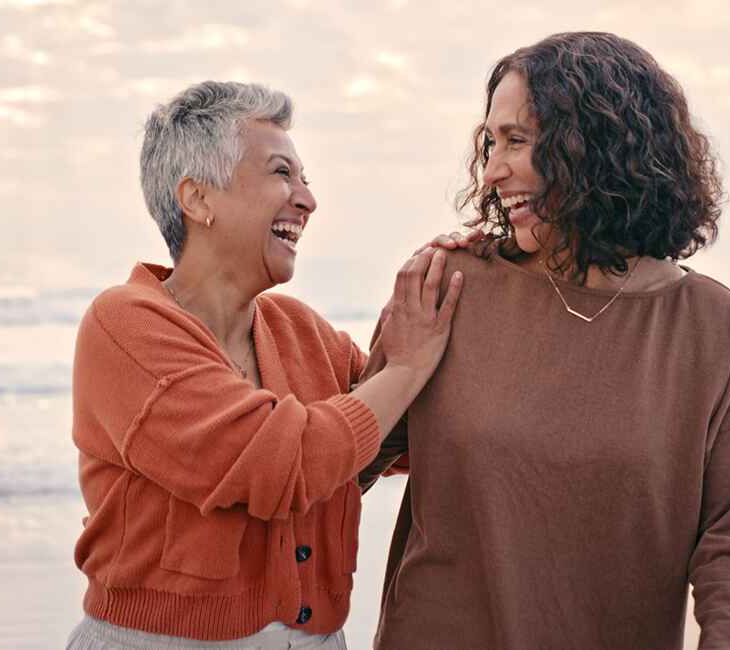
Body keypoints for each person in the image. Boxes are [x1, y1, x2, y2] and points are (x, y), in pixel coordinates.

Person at [360, 32, 730, 649]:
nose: (494, 170)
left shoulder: (706, 321)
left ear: (599, 149)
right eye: (490, 142)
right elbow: (348, 464)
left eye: (518, 142)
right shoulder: (450, 285)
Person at [66, 81, 463, 650]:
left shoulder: (297, 328)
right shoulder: (125, 325)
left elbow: (394, 430)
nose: (307, 200)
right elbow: (281, 464)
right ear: (197, 199)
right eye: (282, 174)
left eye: (305, 180)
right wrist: (403, 367)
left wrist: (457, 282)